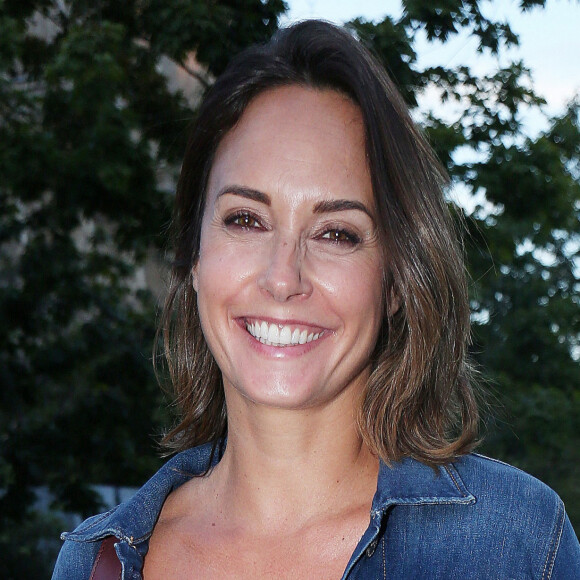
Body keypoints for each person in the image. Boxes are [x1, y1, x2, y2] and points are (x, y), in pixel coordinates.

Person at [52, 20, 580, 579]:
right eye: (246, 220)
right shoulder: (96, 563)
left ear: (397, 279)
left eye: (336, 233)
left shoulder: (515, 544)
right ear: (193, 255)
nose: (283, 278)